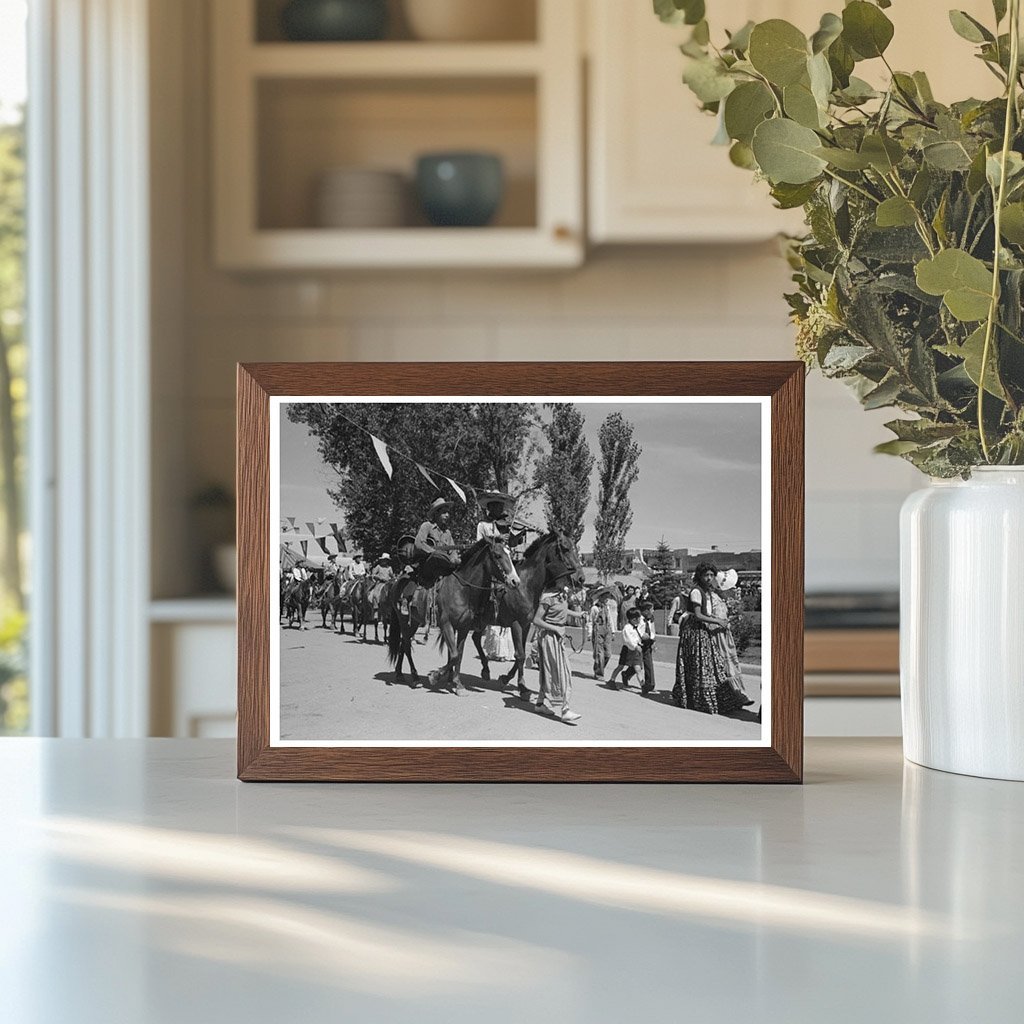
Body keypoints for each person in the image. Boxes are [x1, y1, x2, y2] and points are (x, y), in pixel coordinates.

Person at [673, 562, 749, 715]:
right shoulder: (696, 592)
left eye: (711, 575)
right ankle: (697, 699)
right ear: (700, 576)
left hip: (703, 630)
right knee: (700, 665)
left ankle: (723, 697)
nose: (709, 578)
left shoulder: (707, 592)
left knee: (710, 665)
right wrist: (718, 621)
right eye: (705, 575)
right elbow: (699, 615)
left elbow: (707, 614)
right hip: (694, 631)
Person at [532, 570, 586, 724]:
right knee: (562, 673)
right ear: (555, 580)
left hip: (558, 636)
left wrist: (577, 614)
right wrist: (555, 628)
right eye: (564, 579)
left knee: (550, 672)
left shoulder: (561, 595)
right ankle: (565, 710)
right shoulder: (547, 598)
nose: (567, 581)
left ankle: (540, 704)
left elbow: (562, 610)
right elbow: (536, 620)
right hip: (549, 638)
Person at [476, 493, 517, 661]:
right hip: (489, 563)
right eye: (497, 507)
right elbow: (479, 543)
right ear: (490, 508)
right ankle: (479, 613)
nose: (500, 509)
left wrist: (514, 539)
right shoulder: (483, 525)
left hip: (504, 562)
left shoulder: (505, 526)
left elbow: (511, 543)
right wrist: (496, 538)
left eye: (501, 507)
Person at [607, 607, 644, 690]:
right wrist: (635, 646)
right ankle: (612, 680)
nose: (640, 619)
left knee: (638, 668)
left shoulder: (638, 626)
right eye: (638, 618)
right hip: (627, 650)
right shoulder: (627, 628)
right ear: (634, 619)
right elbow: (628, 640)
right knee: (620, 666)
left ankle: (642, 684)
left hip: (636, 651)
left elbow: (641, 630)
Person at [587, 587, 614, 679]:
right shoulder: (595, 608)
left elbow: (610, 620)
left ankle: (598, 667)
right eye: (605, 597)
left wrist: (612, 632)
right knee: (600, 653)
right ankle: (599, 673)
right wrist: (590, 634)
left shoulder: (607, 608)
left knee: (608, 654)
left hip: (607, 631)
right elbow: (590, 621)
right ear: (601, 597)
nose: (607, 599)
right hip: (598, 631)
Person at [638, 600, 657, 694]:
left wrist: (653, 641)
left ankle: (650, 685)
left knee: (648, 664)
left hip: (648, 643)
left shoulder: (650, 619)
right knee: (637, 665)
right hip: (639, 644)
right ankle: (626, 674)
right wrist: (642, 635)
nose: (653, 611)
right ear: (645, 611)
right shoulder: (638, 619)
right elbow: (634, 630)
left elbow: (653, 631)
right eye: (651, 609)